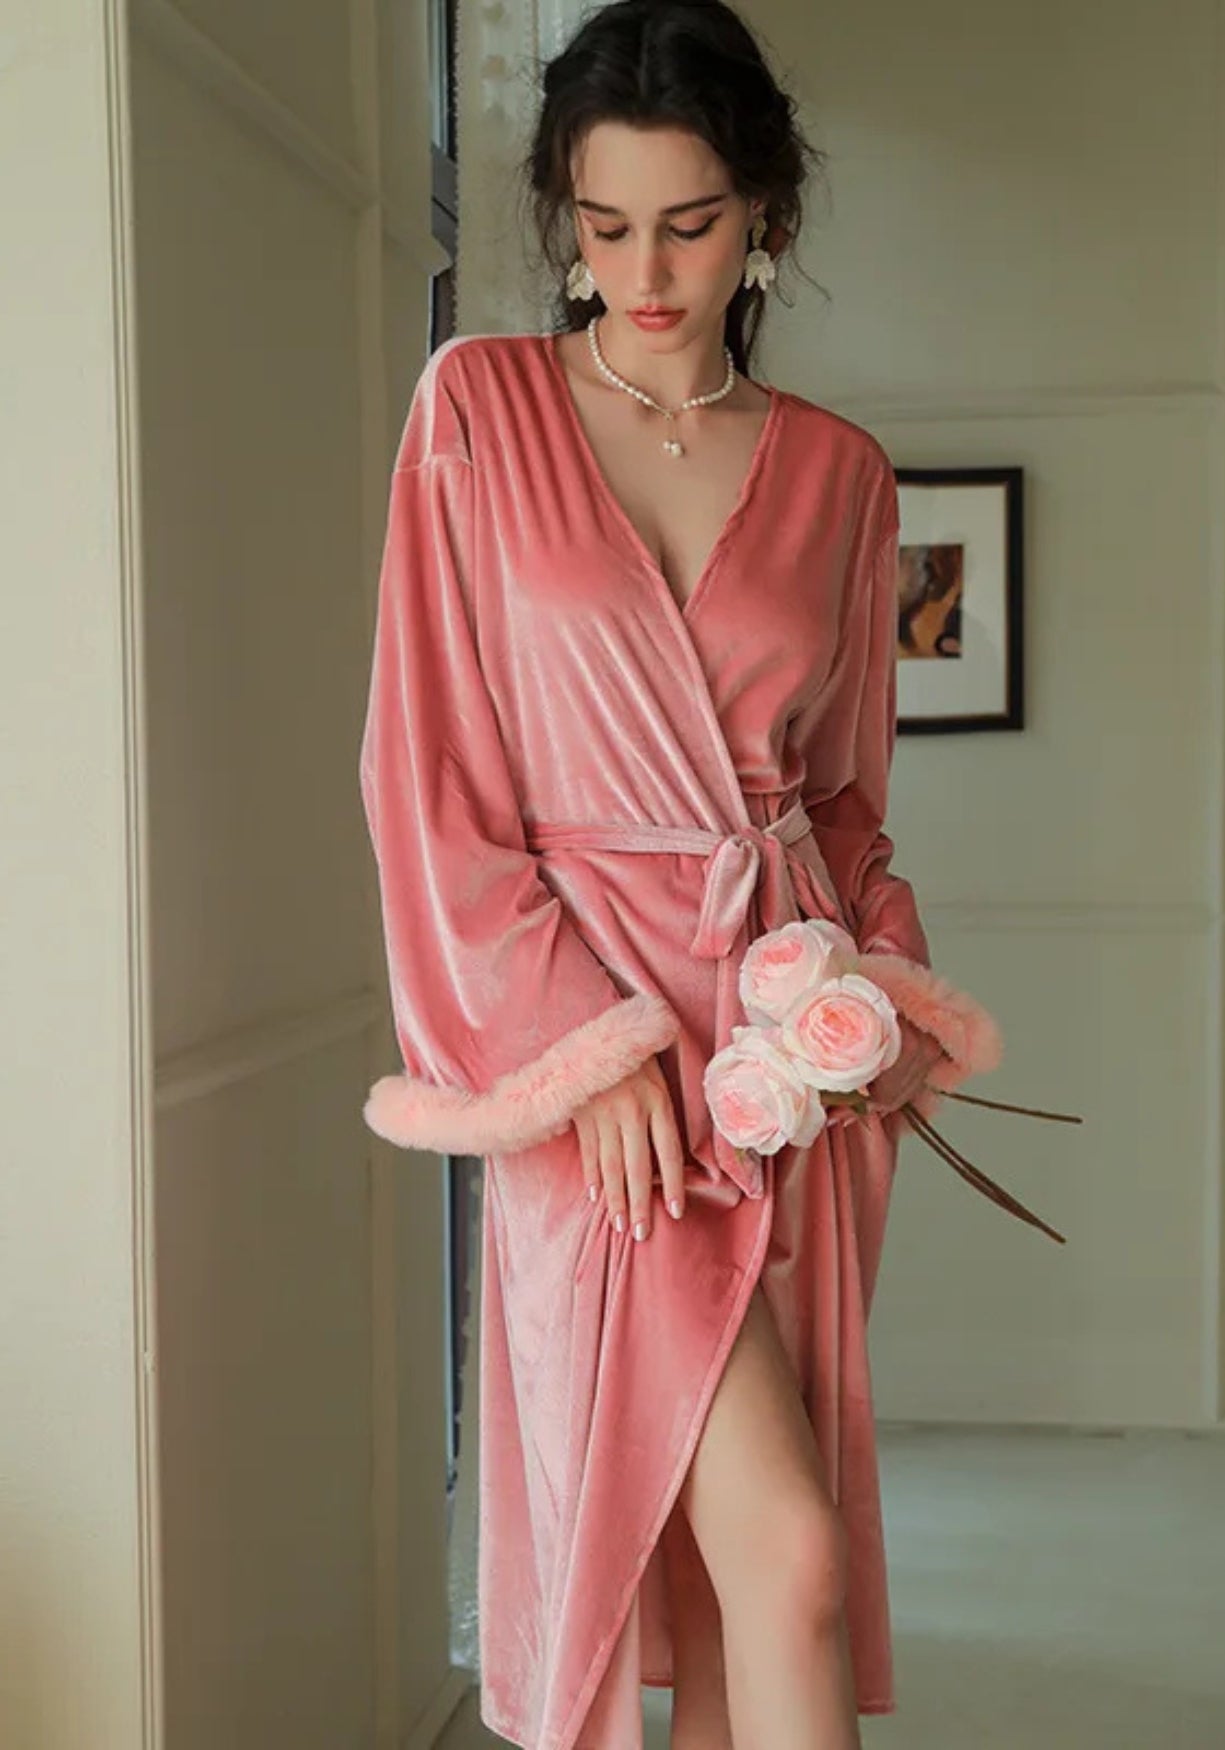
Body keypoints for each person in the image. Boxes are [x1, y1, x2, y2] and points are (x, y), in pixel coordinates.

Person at [358, 3, 1001, 1747]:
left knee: (744, 1588)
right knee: (787, 1552)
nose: (642, 272)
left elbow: (844, 806)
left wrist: (875, 1004)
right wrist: (589, 1047)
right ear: (563, 217)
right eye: (605, 222)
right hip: (601, 1077)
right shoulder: (477, 410)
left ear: (764, 216)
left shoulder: (839, 475)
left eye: (690, 224)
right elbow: (429, 780)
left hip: (778, 1061)